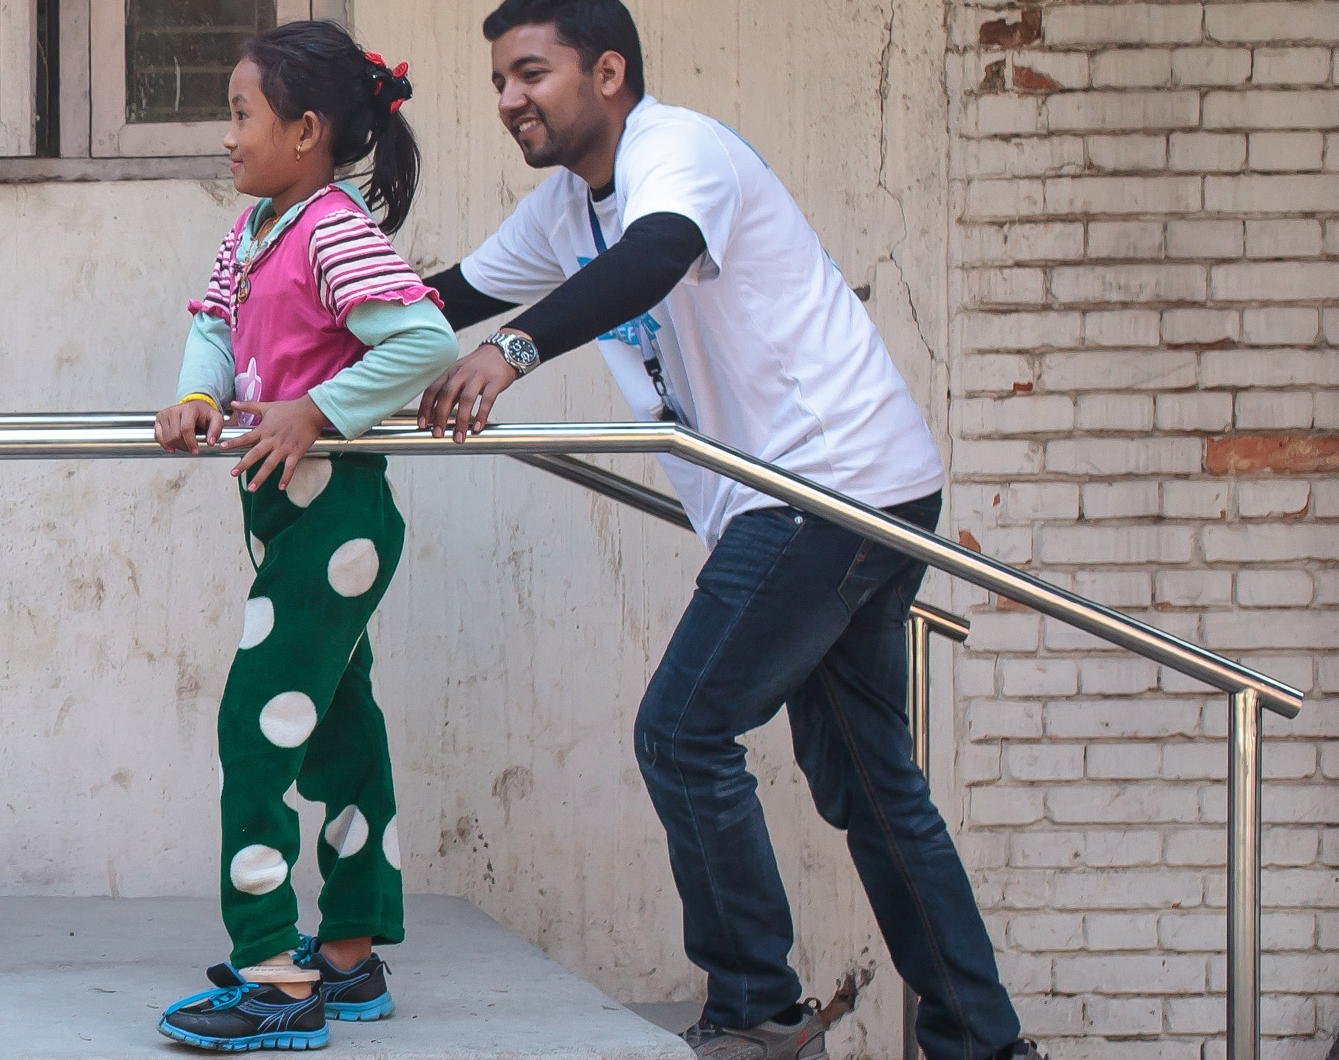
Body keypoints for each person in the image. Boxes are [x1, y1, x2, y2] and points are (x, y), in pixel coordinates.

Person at [412, 3, 1037, 1059]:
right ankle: (982, 1039)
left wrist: (513, 353)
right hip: (840, 492)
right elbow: (449, 297)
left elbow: (655, 256)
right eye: (499, 83)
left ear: (607, 72)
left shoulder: (677, 150)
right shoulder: (567, 208)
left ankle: (754, 1004)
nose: (509, 100)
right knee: (869, 787)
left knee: (683, 730)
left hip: (825, 487)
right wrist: (298, 357)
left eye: (531, 74)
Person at [145, 18, 459, 1053]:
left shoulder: (328, 227)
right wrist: (200, 391)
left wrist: (317, 406)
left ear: (308, 130)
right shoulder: (257, 228)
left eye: (241, 114)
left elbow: (420, 339)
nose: (226, 135)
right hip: (288, 514)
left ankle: (274, 971)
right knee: (333, 724)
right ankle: (351, 954)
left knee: (255, 722)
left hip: (337, 515)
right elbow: (211, 318)